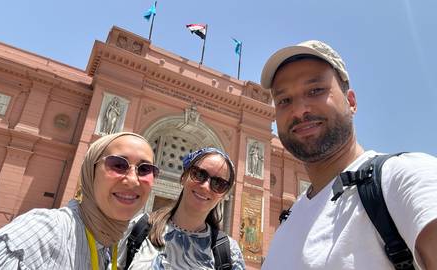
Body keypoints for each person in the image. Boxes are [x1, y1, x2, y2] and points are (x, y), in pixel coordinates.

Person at [259, 40, 437, 269]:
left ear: (351, 102)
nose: (299, 109)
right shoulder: (287, 221)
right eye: (284, 100)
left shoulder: (402, 177)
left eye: (315, 91)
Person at [0, 132, 159, 269]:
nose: (133, 180)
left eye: (145, 169)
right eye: (118, 164)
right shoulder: (45, 230)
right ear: (90, 171)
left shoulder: (109, 242)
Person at [117, 147, 245, 270]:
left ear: (223, 195)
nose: (206, 186)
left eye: (219, 184)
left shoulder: (229, 252)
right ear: (184, 177)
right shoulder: (140, 227)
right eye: (199, 174)